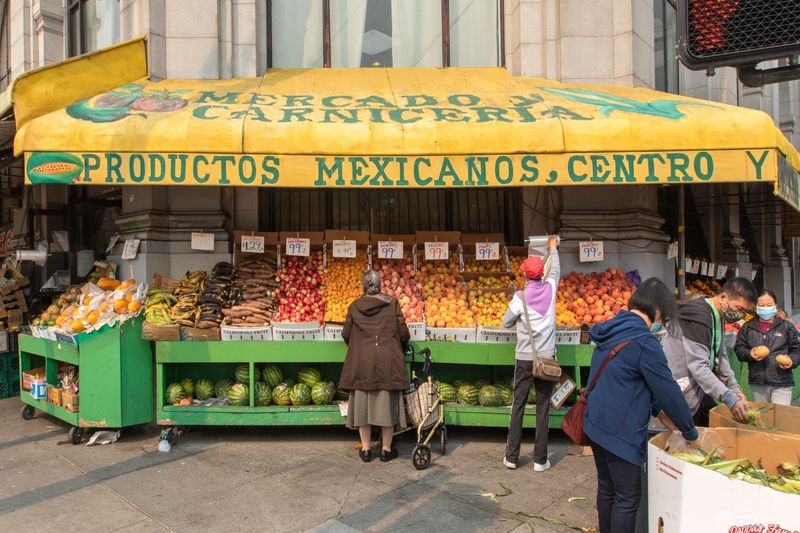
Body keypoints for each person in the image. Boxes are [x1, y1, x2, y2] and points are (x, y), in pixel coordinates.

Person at [585, 278, 698, 533]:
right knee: (626, 498)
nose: (662, 322)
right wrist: (689, 431)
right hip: (620, 430)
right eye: (664, 317)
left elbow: (629, 377)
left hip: (595, 422)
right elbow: (669, 391)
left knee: (607, 489)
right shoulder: (644, 342)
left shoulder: (611, 328)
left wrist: (657, 411)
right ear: (658, 309)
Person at [663, 277, 756, 426]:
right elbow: (698, 366)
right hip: (681, 389)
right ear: (723, 297)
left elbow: (720, 356)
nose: (740, 315)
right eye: (739, 309)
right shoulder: (699, 318)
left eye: (744, 312)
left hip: (698, 388)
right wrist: (728, 397)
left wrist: (734, 389)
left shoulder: (717, 315)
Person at [339, 270, 410, 463]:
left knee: (362, 407)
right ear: (380, 286)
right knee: (387, 405)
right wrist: (400, 346)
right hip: (388, 361)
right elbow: (403, 333)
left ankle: (366, 450)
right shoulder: (392, 303)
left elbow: (346, 334)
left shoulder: (355, 306)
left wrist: (360, 347)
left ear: (364, 286)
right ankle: (386, 450)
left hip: (362, 364)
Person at [502, 235, 559, 472]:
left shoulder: (519, 298)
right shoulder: (551, 289)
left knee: (518, 405)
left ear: (525, 276)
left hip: (525, 359)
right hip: (547, 361)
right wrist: (553, 249)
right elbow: (555, 270)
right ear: (542, 275)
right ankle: (540, 460)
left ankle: (511, 457)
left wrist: (520, 319)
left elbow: (506, 322)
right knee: (543, 408)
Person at [734, 290, 800, 405]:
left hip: (782, 381)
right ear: (755, 306)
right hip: (758, 382)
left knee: (780, 414)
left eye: (769, 305)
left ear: (776, 306)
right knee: (763, 414)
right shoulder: (747, 327)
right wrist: (750, 354)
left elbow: (797, 349)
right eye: (761, 305)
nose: (766, 308)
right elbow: (739, 349)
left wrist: (792, 360)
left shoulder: (786, 326)